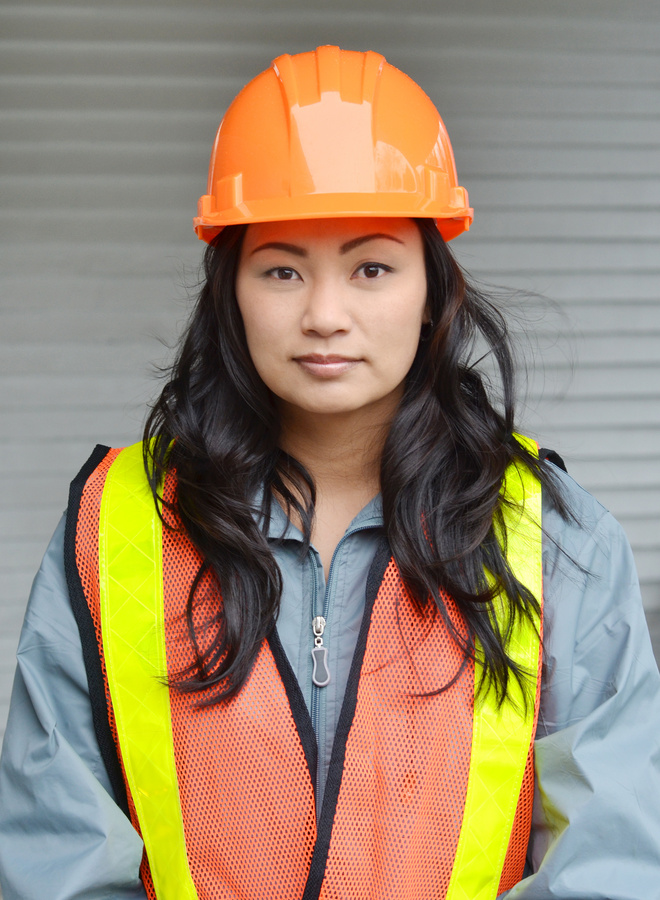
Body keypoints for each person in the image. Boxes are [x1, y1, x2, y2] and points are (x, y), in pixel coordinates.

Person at [1, 44, 659, 900]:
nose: (323, 314)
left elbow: (611, 864)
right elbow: (55, 859)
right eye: (281, 269)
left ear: (433, 287)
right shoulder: (114, 527)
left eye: (371, 267)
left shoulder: (555, 538)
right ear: (229, 288)